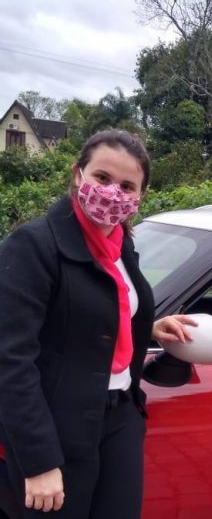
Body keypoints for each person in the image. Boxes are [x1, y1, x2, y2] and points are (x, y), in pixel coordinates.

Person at [0, 129, 196, 519]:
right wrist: (38, 460)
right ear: (78, 174)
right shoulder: (34, 246)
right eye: (102, 178)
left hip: (119, 415)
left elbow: (101, 301)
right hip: (57, 427)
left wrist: (147, 326)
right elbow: (9, 360)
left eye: (127, 185)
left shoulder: (122, 244)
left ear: (139, 198)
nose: (112, 193)